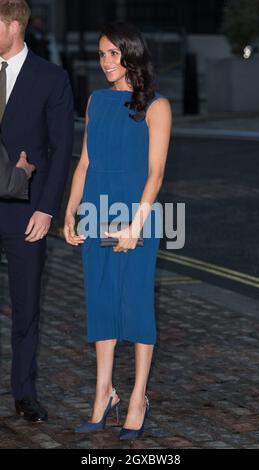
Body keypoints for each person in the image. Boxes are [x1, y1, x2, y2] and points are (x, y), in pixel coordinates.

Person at [64, 21, 171, 440]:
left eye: (113, 53)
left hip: (135, 216)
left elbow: (157, 174)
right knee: (102, 302)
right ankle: (103, 393)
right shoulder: (95, 100)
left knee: (138, 306)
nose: (106, 62)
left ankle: (138, 396)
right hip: (96, 210)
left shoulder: (157, 106)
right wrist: (70, 212)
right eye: (102, 54)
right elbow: (86, 162)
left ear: (131, 55)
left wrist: (136, 224)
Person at [0, 0, 74, 422]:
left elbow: (62, 149)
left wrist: (48, 209)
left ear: (14, 25)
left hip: (28, 213)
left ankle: (24, 392)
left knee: (26, 307)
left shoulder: (52, 78)